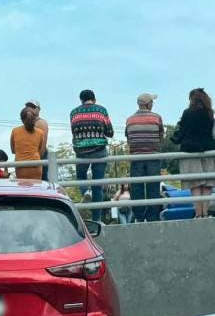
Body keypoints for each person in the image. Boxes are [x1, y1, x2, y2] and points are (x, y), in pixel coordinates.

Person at [69, 89, 114, 222]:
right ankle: (96, 219)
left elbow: (73, 131)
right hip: (99, 151)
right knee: (97, 184)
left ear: (81, 100)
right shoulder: (101, 110)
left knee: (81, 177)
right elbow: (110, 132)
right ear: (94, 99)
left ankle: (85, 192)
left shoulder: (74, 112)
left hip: (81, 151)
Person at [173, 88, 215, 219]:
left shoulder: (187, 113)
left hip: (190, 149)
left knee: (195, 183)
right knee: (208, 183)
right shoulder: (210, 113)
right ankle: (205, 212)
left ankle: (198, 213)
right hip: (209, 149)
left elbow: (182, 130)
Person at [125, 92, 165, 222]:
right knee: (153, 187)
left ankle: (139, 216)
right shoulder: (157, 118)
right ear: (149, 104)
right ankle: (152, 217)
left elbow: (128, 139)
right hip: (153, 156)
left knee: (137, 187)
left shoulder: (130, 120)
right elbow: (161, 137)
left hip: (136, 157)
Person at [11, 107, 47, 180]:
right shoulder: (40, 133)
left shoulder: (15, 131)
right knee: (36, 186)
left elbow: (13, 150)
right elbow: (41, 151)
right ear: (35, 119)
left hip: (21, 167)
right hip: (36, 166)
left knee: (23, 187)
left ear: (22, 119)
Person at [25, 100, 50, 180]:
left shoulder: (41, 123)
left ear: (38, 109)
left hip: (39, 157)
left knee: (41, 182)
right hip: (29, 157)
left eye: (32, 107)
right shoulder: (27, 124)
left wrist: (38, 159)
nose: (30, 109)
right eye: (28, 107)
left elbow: (43, 144)